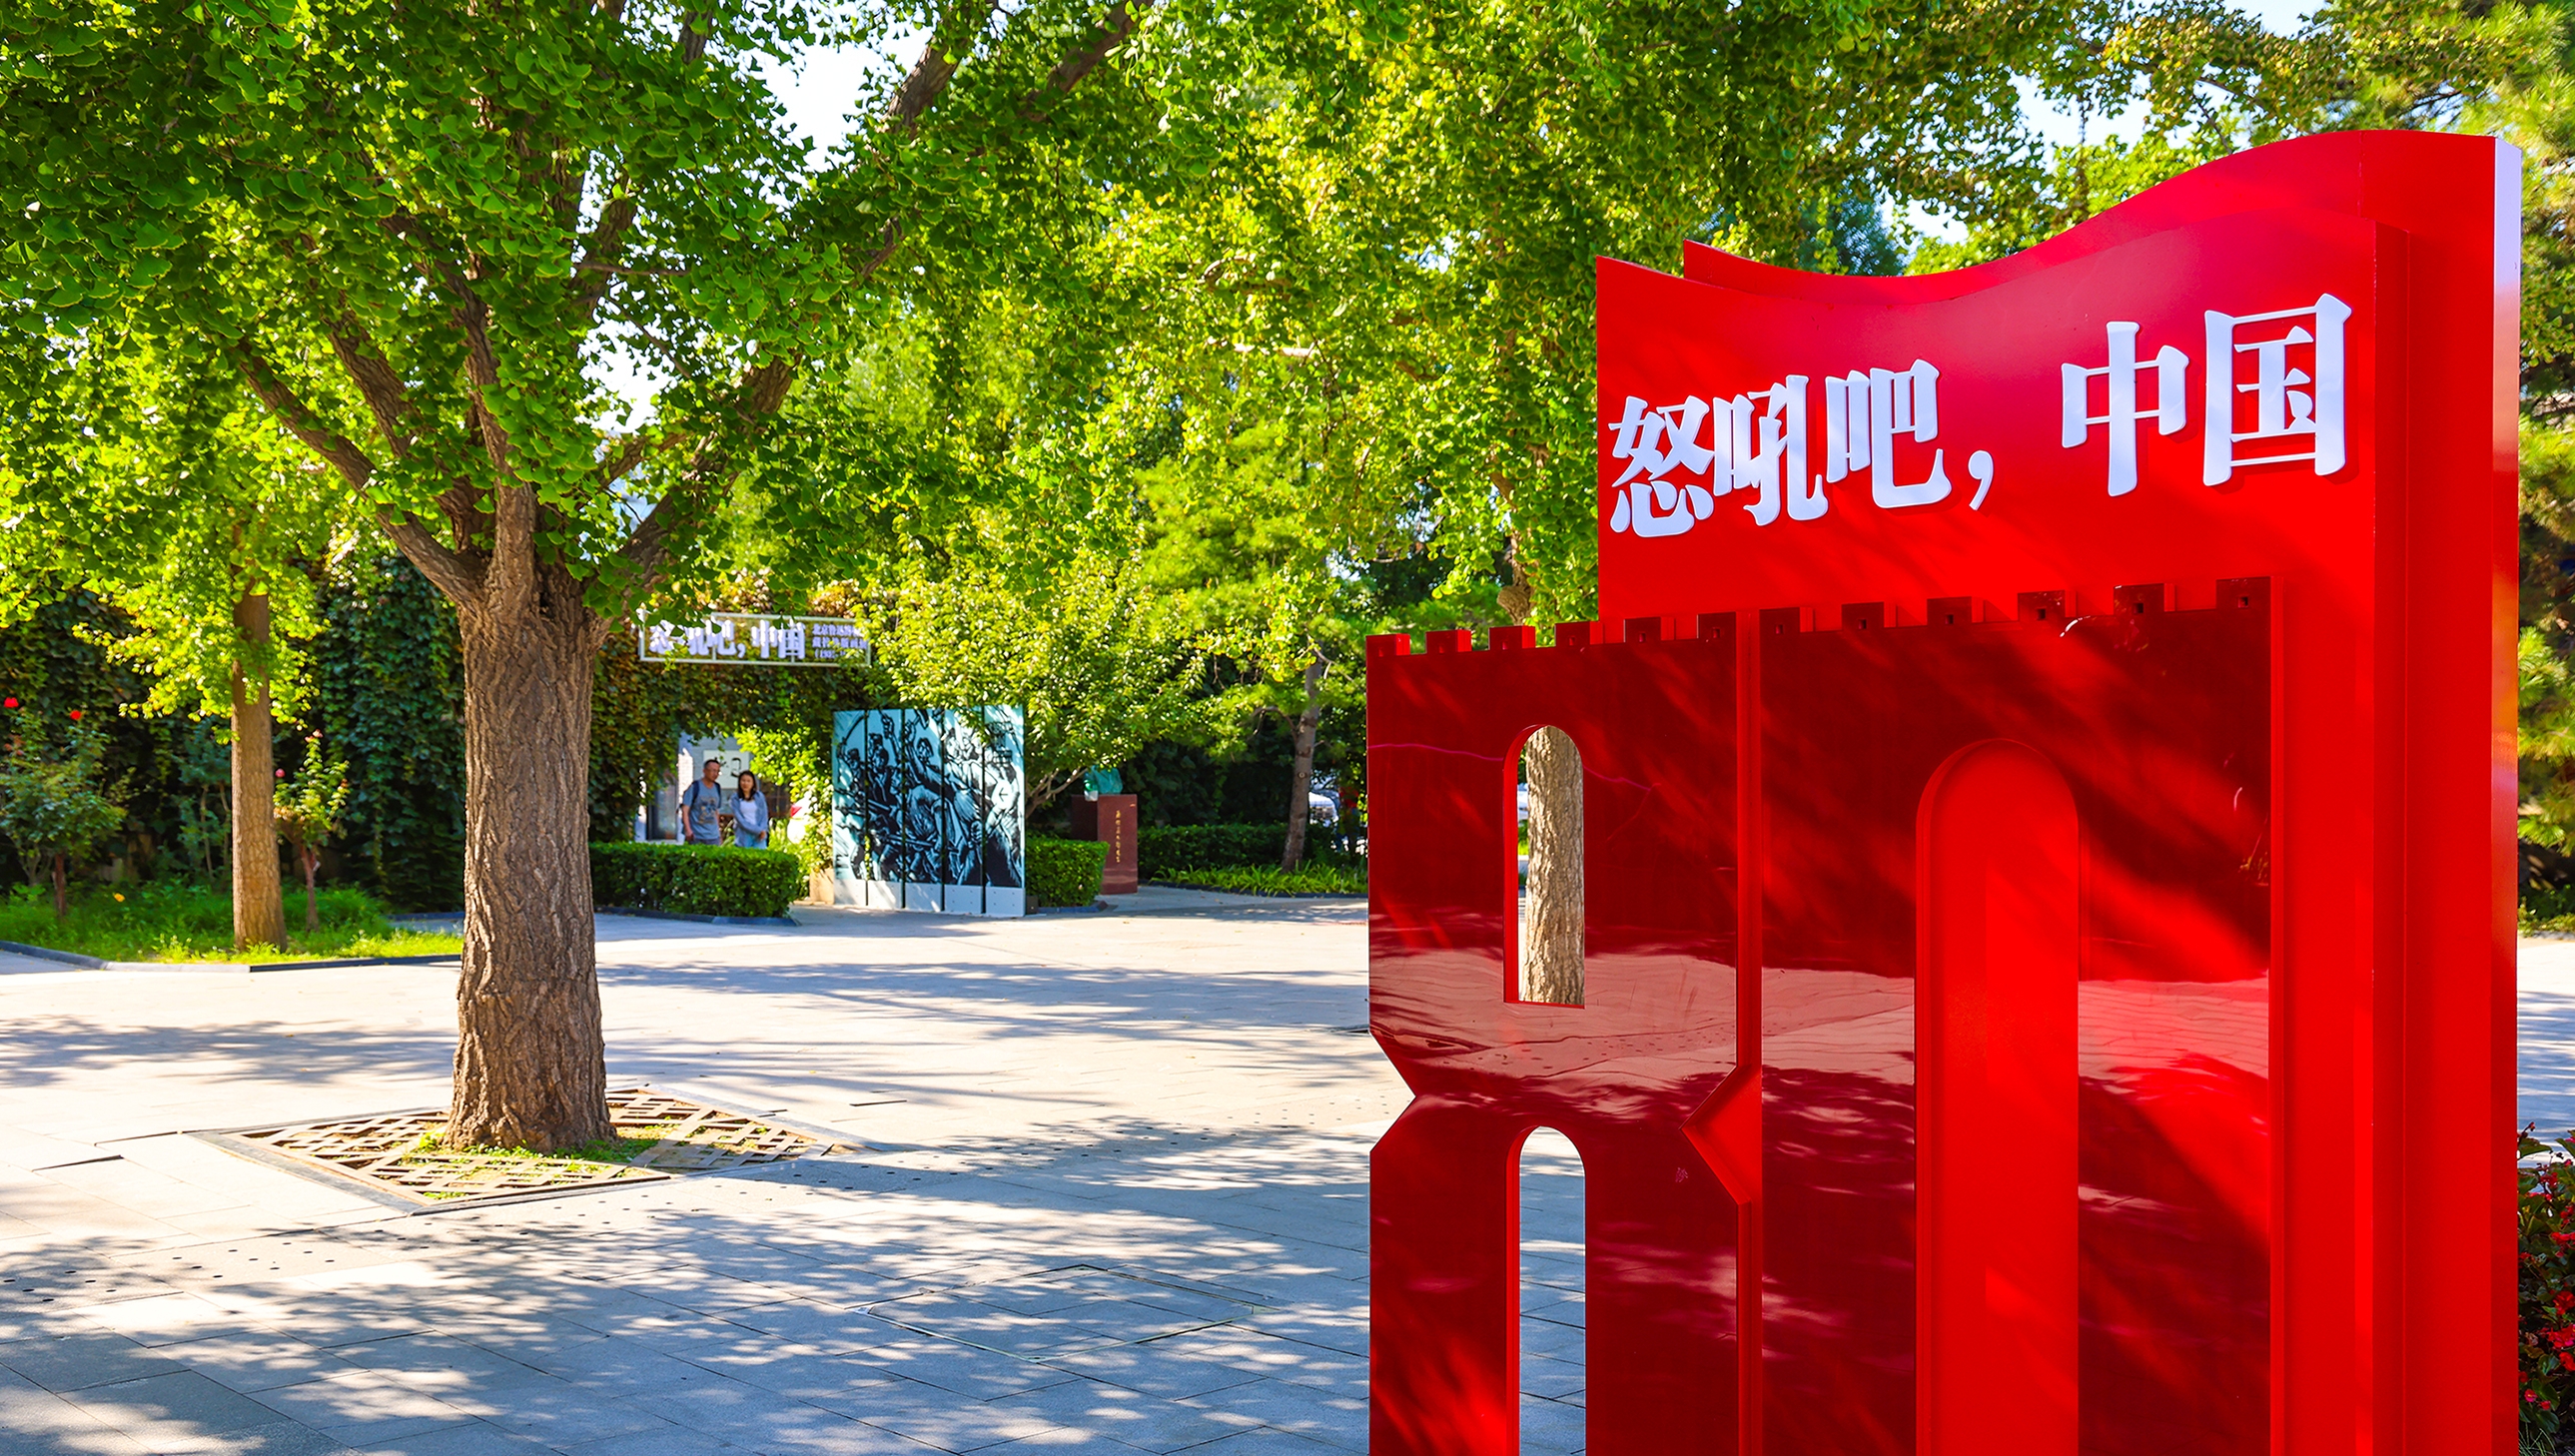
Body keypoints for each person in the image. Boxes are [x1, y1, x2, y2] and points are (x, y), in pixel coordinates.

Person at [680, 757, 726, 846]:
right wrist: (688, 830)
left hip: (713, 836)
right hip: (696, 835)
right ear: (704, 771)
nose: (715, 774)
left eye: (717, 771)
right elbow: (685, 810)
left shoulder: (717, 788)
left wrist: (719, 833)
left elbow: (716, 811)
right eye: (713, 770)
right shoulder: (695, 787)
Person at [731, 770, 771, 849]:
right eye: (743, 780)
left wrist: (763, 830)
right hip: (744, 834)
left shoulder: (759, 796)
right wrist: (757, 830)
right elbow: (740, 820)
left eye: (748, 781)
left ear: (753, 783)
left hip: (760, 834)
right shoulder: (735, 798)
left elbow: (764, 815)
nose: (745, 783)